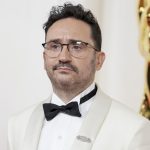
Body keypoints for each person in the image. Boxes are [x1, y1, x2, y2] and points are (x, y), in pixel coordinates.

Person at [8, 3, 150, 150]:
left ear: (99, 60)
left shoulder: (133, 130)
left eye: (77, 46)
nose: (63, 57)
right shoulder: (17, 125)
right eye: (54, 46)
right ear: (44, 59)